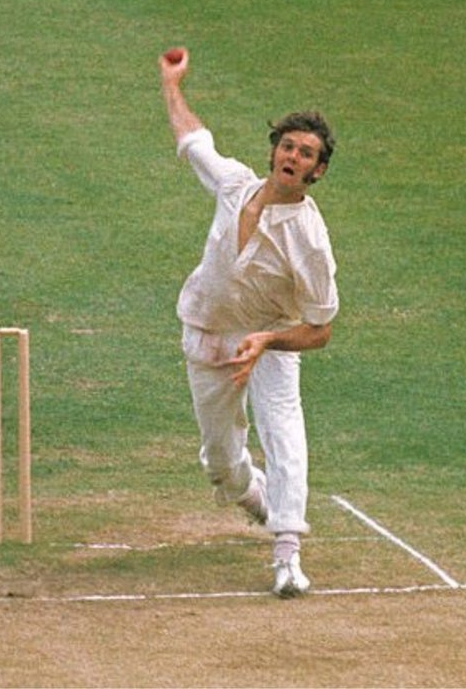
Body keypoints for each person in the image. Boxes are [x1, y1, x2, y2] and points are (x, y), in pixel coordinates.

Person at [158, 47, 339, 599]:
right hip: (209, 332)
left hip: (273, 341)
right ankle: (254, 499)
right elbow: (194, 140)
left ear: (317, 170)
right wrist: (171, 83)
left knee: (285, 433)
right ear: (274, 151)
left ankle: (288, 552)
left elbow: (322, 328)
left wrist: (267, 340)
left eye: (305, 153)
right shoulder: (235, 185)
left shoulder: (309, 239)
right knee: (220, 462)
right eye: (287, 145)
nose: (292, 156)